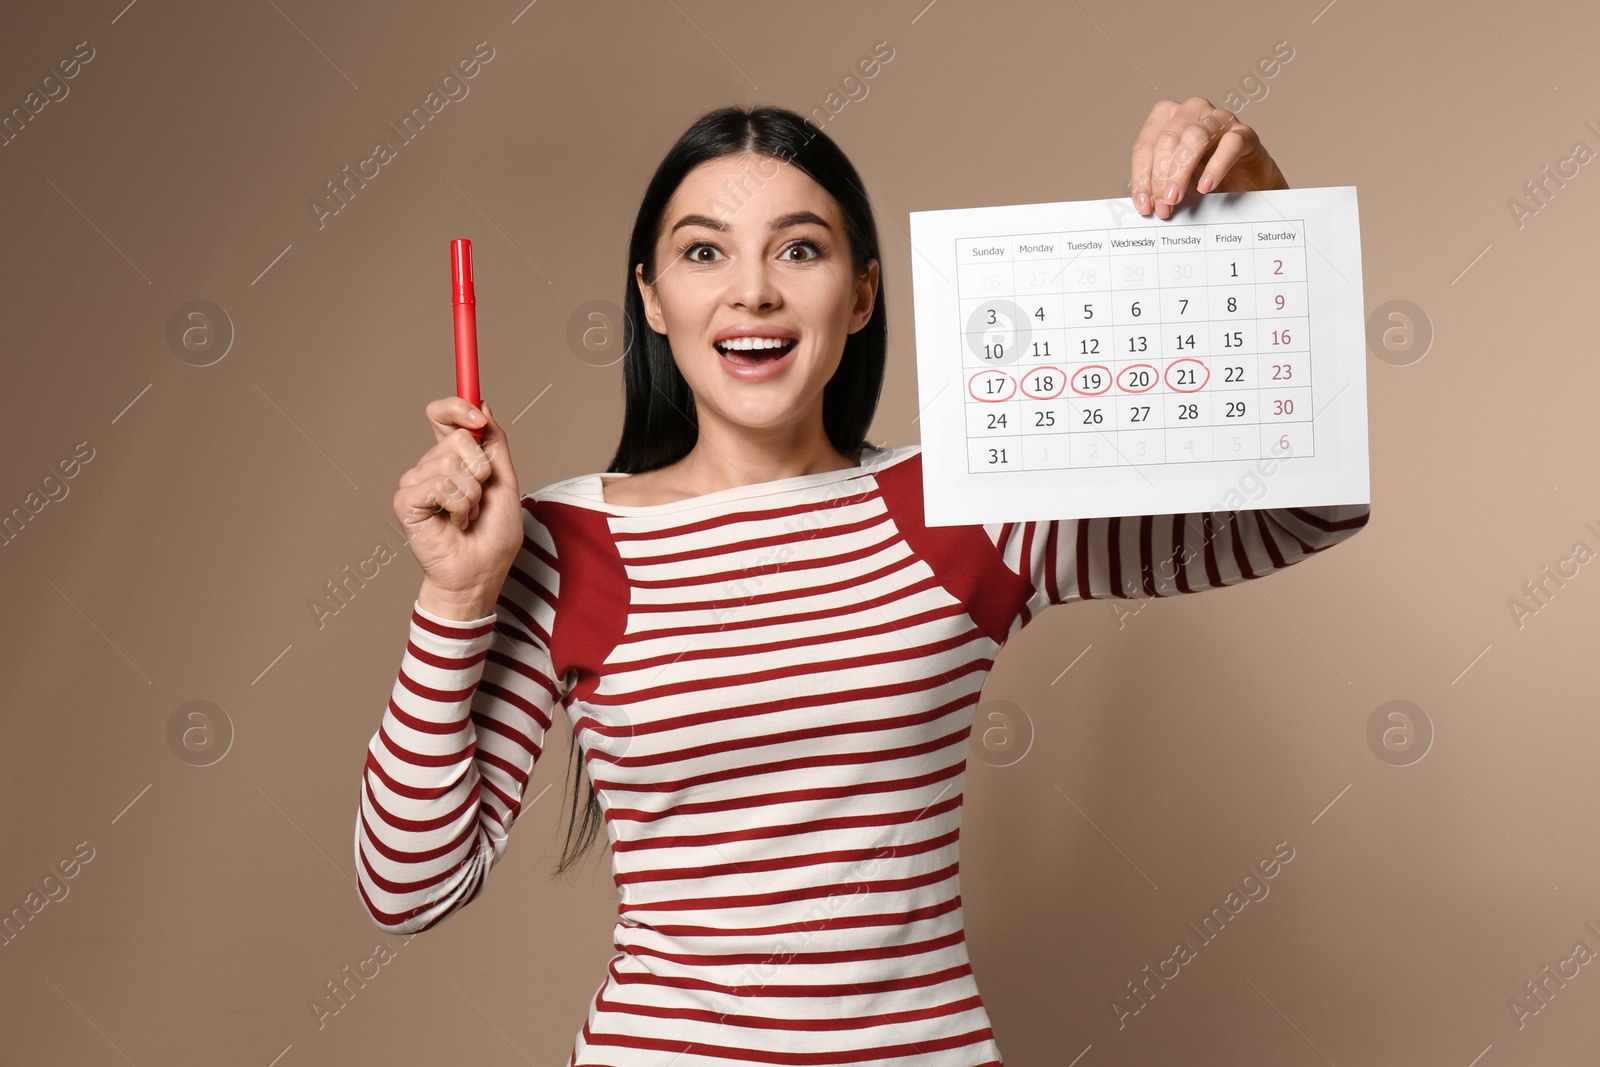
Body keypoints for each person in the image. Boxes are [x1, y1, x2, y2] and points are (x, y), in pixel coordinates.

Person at [354, 98, 1368, 1065]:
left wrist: (1262, 214)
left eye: (800, 248)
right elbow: (409, 886)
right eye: (703, 250)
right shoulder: (559, 542)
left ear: (864, 293)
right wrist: (456, 597)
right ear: (653, 301)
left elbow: (1308, 506)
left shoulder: (968, 503)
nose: (752, 290)